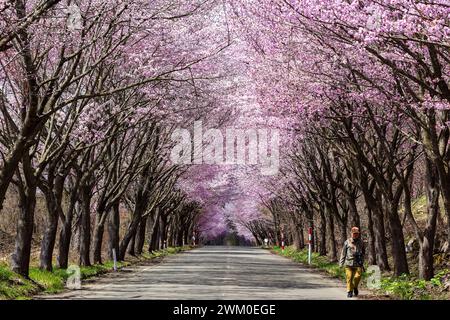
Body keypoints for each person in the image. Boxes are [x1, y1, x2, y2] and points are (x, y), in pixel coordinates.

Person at [339, 226, 365, 298]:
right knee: (349, 277)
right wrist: (341, 264)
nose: (355, 235)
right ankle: (349, 291)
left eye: (357, 233)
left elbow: (363, 252)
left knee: (357, 277)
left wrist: (362, 260)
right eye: (354, 233)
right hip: (348, 263)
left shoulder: (361, 242)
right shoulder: (347, 242)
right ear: (351, 233)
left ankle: (355, 287)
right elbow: (343, 253)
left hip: (358, 263)